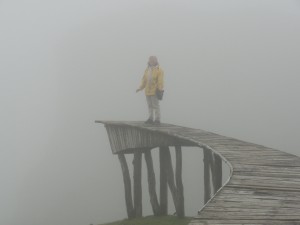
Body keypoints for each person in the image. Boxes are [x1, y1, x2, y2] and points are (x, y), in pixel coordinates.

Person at [136, 56, 164, 124]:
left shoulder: (159, 69)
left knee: (155, 105)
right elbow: (144, 80)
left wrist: (159, 89)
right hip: (147, 90)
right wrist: (140, 88)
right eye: (150, 60)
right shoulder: (147, 69)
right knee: (149, 105)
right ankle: (150, 118)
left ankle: (157, 119)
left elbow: (160, 80)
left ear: (156, 61)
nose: (152, 61)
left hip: (155, 90)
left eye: (153, 60)